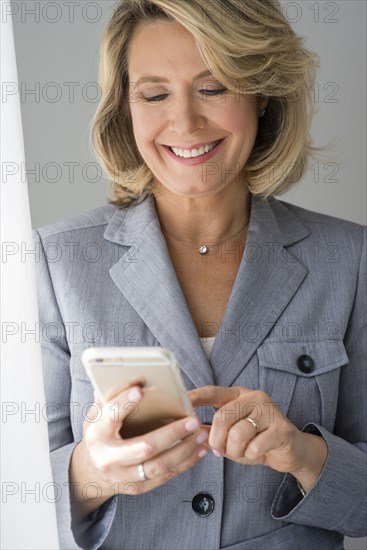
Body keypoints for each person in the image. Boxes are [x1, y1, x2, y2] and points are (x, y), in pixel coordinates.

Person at [33, 1, 366, 548]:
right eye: (155, 94)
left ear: (263, 94)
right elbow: (14, 489)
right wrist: (92, 472)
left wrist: (305, 454)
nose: (185, 123)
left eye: (213, 88)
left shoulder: (349, 257)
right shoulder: (54, 260)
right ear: (125, 109)